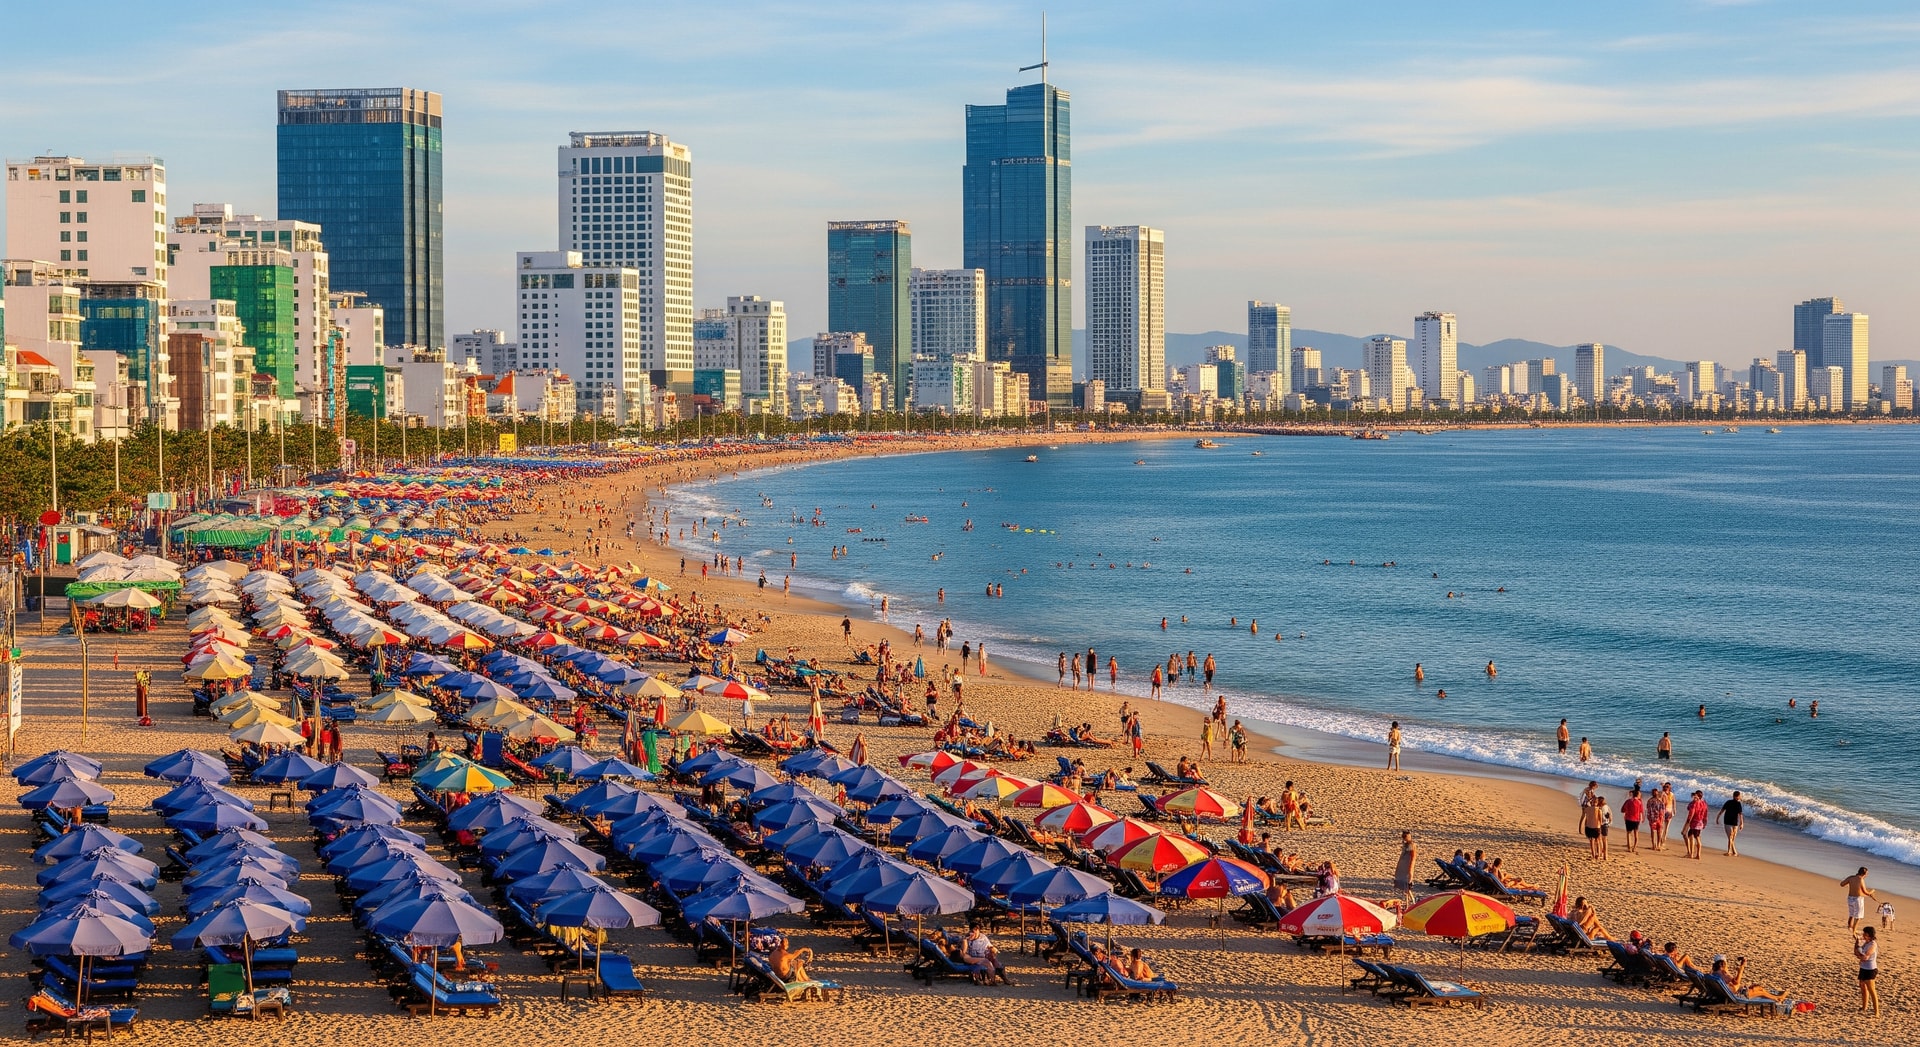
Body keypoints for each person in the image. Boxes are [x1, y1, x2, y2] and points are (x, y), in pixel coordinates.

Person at [1712, 955, 1788, 1006]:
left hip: (1730, 993)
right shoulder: (1723, 973)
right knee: (1761, 992)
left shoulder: (1714, 974)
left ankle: (1776, 997)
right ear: (1723, 964)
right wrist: (1741, 969)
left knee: (1758, 988)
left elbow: (1732, 984)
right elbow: (1737, 982)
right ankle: (1776, 999)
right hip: (1740, 995)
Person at [1856, 926, 1880, 1015]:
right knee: (1863, 987)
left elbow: (1866, 956)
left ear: (1870, 936)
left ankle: (1876, 1012)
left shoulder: (1873, 945)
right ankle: (1864, 1007)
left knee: (1872, 990)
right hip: (1863, 968)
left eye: (1865, 934)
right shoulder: (1865, 943)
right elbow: (1857, 951)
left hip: (1870, 969)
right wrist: (1857, 943)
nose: (1863, 936)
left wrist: (1860, 957)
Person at [1683, 790, 1709, 860]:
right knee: (1697, 837)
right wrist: (1705, 821)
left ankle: (1691, 854)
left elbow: (1690, 810)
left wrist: (1688, 822)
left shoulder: (1695, 803)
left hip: (1694, 822)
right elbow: (1706, 813)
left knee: (1692, 837)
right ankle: (1698, 855)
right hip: (1700, 822)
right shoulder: (1704, 803)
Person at [1393, 830, 1417, 902]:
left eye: (1405, 837)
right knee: (1404, 884)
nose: (1404, 838)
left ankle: (1410, 901)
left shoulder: (1412, 845)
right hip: (1402, 866)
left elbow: (1413, 857)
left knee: (1406, 884)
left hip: (1407, 866)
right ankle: (1411, 900)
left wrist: (1410, 868)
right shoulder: (1406, 844)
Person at [1621, 787, 1644, 854]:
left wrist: (1627, 811)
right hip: (1636, 819)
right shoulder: (1639, 802)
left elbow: (1622, 810)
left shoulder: (1628, 801)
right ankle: (1634, 847)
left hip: (1628, 818)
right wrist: (1641, 818)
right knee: (1636, 833)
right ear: (1638, 795)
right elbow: (1641, 811)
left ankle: (1629, 847)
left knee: (1628, 833)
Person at [1721, 790, 1745, 857]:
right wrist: (1717, 817)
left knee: (1732, 838)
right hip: (1728, 822)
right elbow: (1722, 810)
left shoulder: (1738, 804)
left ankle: (1733, 852)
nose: (1739, 797)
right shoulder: (1729, 802)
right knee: (1731, 837)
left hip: (1734, 823)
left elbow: (1740, 814)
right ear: (1735, 796)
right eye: (1739, 796)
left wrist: (1741, 823)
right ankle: (1730, 851)